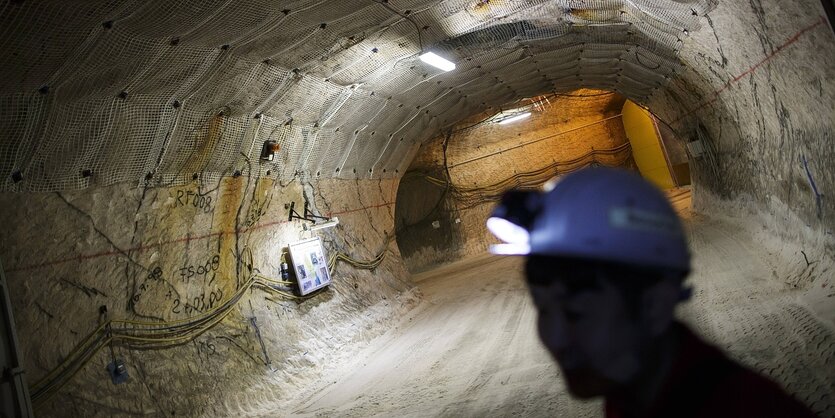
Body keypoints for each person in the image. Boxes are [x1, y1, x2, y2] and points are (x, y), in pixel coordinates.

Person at [488, 167, 816, 418]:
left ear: (655, 306)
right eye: (544, 309)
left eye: (577, 313)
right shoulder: (628, 400)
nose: (555, 339)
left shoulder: (746, 408)